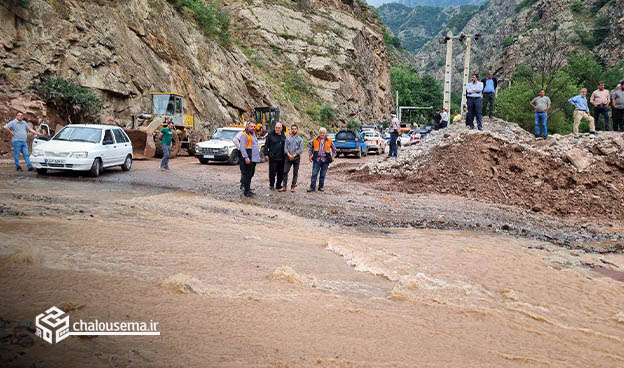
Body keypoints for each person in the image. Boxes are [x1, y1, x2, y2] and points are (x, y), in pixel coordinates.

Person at [308, 127, 336, 192]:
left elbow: (334, 149)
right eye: (321, 133)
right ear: (319, 133)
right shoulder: (315, 140)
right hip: (317, 159)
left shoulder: (329, 140)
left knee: (322, 174)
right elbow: (310, 149)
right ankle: (312, 187)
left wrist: (333, 156)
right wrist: (310, 155)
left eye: (323, 133)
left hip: (325, 160)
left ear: (325, 133)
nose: (322, 134)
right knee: (314, 174)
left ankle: (320, 187)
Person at [239, 122, 262, 197]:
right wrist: (246, 157)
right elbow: (242, 148)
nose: (253, 128)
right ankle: (246, 191)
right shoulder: (244, 135)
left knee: (250, 174)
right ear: (247, 127)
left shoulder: (253, 135)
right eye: (251, 126)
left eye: (254, 127)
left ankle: (247, 189)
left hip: (253, 159)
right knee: (247, 175)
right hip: (249, 158)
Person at [263, 122, 286, 191]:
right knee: (272, 172)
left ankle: (278, 185)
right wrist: (266, 154)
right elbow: (266, 145)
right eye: (276, 127)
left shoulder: (283, 135)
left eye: (279, 128)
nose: (277, 129)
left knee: (280, 172)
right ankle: (271, 185)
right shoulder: (270, 135)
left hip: (282, 157)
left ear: (281, 128)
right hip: (273, 157)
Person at [281, 124, 303, 192]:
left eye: (295, 129)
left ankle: (293, 186)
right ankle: (284, 186)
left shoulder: (300, 139)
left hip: (296, 157)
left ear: (297, 130)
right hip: (288, 157)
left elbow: (301, 149)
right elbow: (285, 148)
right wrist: (289, 155)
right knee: (285, 171)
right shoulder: (287, 138)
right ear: (291, 130)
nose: (293, 130)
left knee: (295, 172)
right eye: (292, 129)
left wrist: (294, 155)